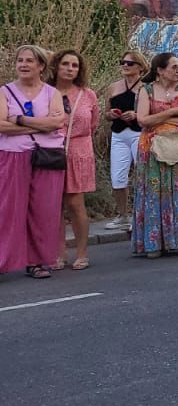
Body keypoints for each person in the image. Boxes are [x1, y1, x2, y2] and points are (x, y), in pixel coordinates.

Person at [131, 51, 178, 258]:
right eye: (173, 67)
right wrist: (172, 113)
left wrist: (163, 120)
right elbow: (143, 120)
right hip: (153, 149)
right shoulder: (146, 90)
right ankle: (155, 242)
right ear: (160, 70)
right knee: (156, 193)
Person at [1, 45, 68, 278]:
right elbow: (1, 126)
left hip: (47, 157)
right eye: (20, 60)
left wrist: (18, 119)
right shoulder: (5, 92)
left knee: (44, 210)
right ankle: (2, 260)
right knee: (8, 209)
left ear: (40, 66)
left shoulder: (52, 93)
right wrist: (40, 124)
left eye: (29, 61)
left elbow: (56, 124)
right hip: (13, 155)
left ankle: (36, 262)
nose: (23, 65)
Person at [48, 49, 97, 271]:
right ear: (56, 66)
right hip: (51, 151)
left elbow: (93, 124)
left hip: (79, 151)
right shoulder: (46, 92)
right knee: (54, 205)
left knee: (76, 204)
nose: (70, 69)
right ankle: (58, 253)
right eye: (65, 64)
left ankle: (81, 252)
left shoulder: (87, 95)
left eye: (74, 65)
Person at [103, 49, 148, 232]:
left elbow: (153, 111)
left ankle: (142, 213)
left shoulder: (146, 87)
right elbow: (105, 114)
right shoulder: (113, 87)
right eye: (123, 62)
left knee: (142, 175)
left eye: (130, 63)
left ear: (139, 66)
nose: (125, 66)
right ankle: (122, 214)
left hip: (139, 132)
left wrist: (137, 115)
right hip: (119, 134)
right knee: (117, 177)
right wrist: (111, 114)